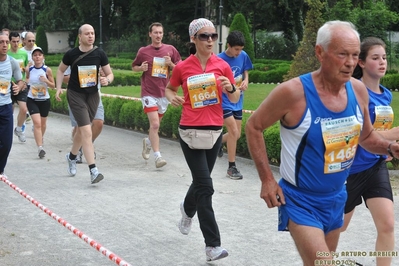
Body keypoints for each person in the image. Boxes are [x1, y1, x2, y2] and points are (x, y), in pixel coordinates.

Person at [245, 20, 399, 265]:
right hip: (299, 199)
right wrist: (266, 179)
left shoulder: (358, 91)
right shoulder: (293, 93)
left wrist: (390, 147)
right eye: (342, 54)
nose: (350, 63)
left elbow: (367, 138)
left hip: (337, 197)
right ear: (320, 52)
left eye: (354, 55)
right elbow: (254, 126)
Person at [165, 18, 240, 262]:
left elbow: (236, 94)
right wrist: (171, 97)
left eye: (213, 36)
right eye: (204, 36)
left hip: (215, 131)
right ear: (193, 39)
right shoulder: (183, 67)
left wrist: (230, 87)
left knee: (201, 182)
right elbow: (169, 88)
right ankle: (212, 246)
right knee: (206, 187)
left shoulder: (223, 65)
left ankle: (187, 210)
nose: (210, 40)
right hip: (189, 131)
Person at [340, 37, 396, 266]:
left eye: (384, 57)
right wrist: (390, 139)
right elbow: (363, 136)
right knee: (338, 227)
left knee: (388, 225)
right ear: (361, 63)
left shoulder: (386, 94)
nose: (382, 62)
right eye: (375, 58)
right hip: (350, 171)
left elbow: (380, 132)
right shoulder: (354, 94)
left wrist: (387, 149)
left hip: (375, 167)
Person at [55, 24, 114, 184]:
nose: (90, 36)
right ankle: (93, 170)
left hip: (93, 95)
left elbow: (110, 74)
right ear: (80, 36)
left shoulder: (99, 53)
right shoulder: (71, 54)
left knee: (82, 132)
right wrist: (59, 88)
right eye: (87, 33)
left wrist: (106, 80)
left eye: (93, 33)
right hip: (76, 95)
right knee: (86, 131)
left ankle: (72, 156)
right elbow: (60, 70)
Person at [132, 22, 181, 168]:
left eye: (160, 32)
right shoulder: (143, 51)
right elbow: (134, 66)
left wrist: (171, 64)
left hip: (164, 92)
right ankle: (158, 157)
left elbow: (181, 67)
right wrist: (140, 68)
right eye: (155, 32)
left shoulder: (170, 49)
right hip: (148, 92)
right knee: (154, 124)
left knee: (156, 126)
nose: (158, 35)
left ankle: (148, 142)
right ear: (150, 34)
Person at [217, 30, 253, 180]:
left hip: (238, 100)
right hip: (224, 101)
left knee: (237, 134)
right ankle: (231, 167)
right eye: (236, 49)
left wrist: (246, 81)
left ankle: (217, 142)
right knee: (232, 131)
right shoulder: (219, 60)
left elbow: (246, 72)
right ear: (229, 46)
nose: (239, 52)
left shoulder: (243, 56)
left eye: (241, 49)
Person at [64, 65, 105, 163]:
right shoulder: (74, 56)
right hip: (77, 96)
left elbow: (108, 74)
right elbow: (65, 78)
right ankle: (76, 151)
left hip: (94, 95)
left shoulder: (98, 55)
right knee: (80, 127)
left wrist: (104, 77)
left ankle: (87, 145)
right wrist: (79, 77)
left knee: (99, 123)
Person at [0, 32, 25, 175]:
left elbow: (20, 81)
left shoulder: (11, 62)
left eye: (6, 42)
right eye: (1, 42)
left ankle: (0, 170)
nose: (4, 45)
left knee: (6, 143)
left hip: (6, 107)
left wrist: (18, 87)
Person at [25, 47, 55, 158]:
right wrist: (26, 84)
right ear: (32, 57)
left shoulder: (47, 70)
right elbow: (27, 79)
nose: (37, 57)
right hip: (32, 99)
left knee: (43, 124)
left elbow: (53, 85)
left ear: (43, 57)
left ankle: (40, 139)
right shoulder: (30, 69)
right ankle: (40, 148)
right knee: (37, 123)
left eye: (39, 55)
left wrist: (46, 80)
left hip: (44, 100)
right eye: (35, 55)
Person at [8, 31, 29, 142]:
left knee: (24, 109)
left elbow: (26, 71)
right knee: (9, 112)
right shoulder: (6, 54)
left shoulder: (24, 54)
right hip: (9, 85)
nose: (16, 44)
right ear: (10, 41)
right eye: (13, 42)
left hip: (21, 85)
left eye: (17, 41)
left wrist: (24, 82)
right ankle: (7, 131)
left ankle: (19, 129)